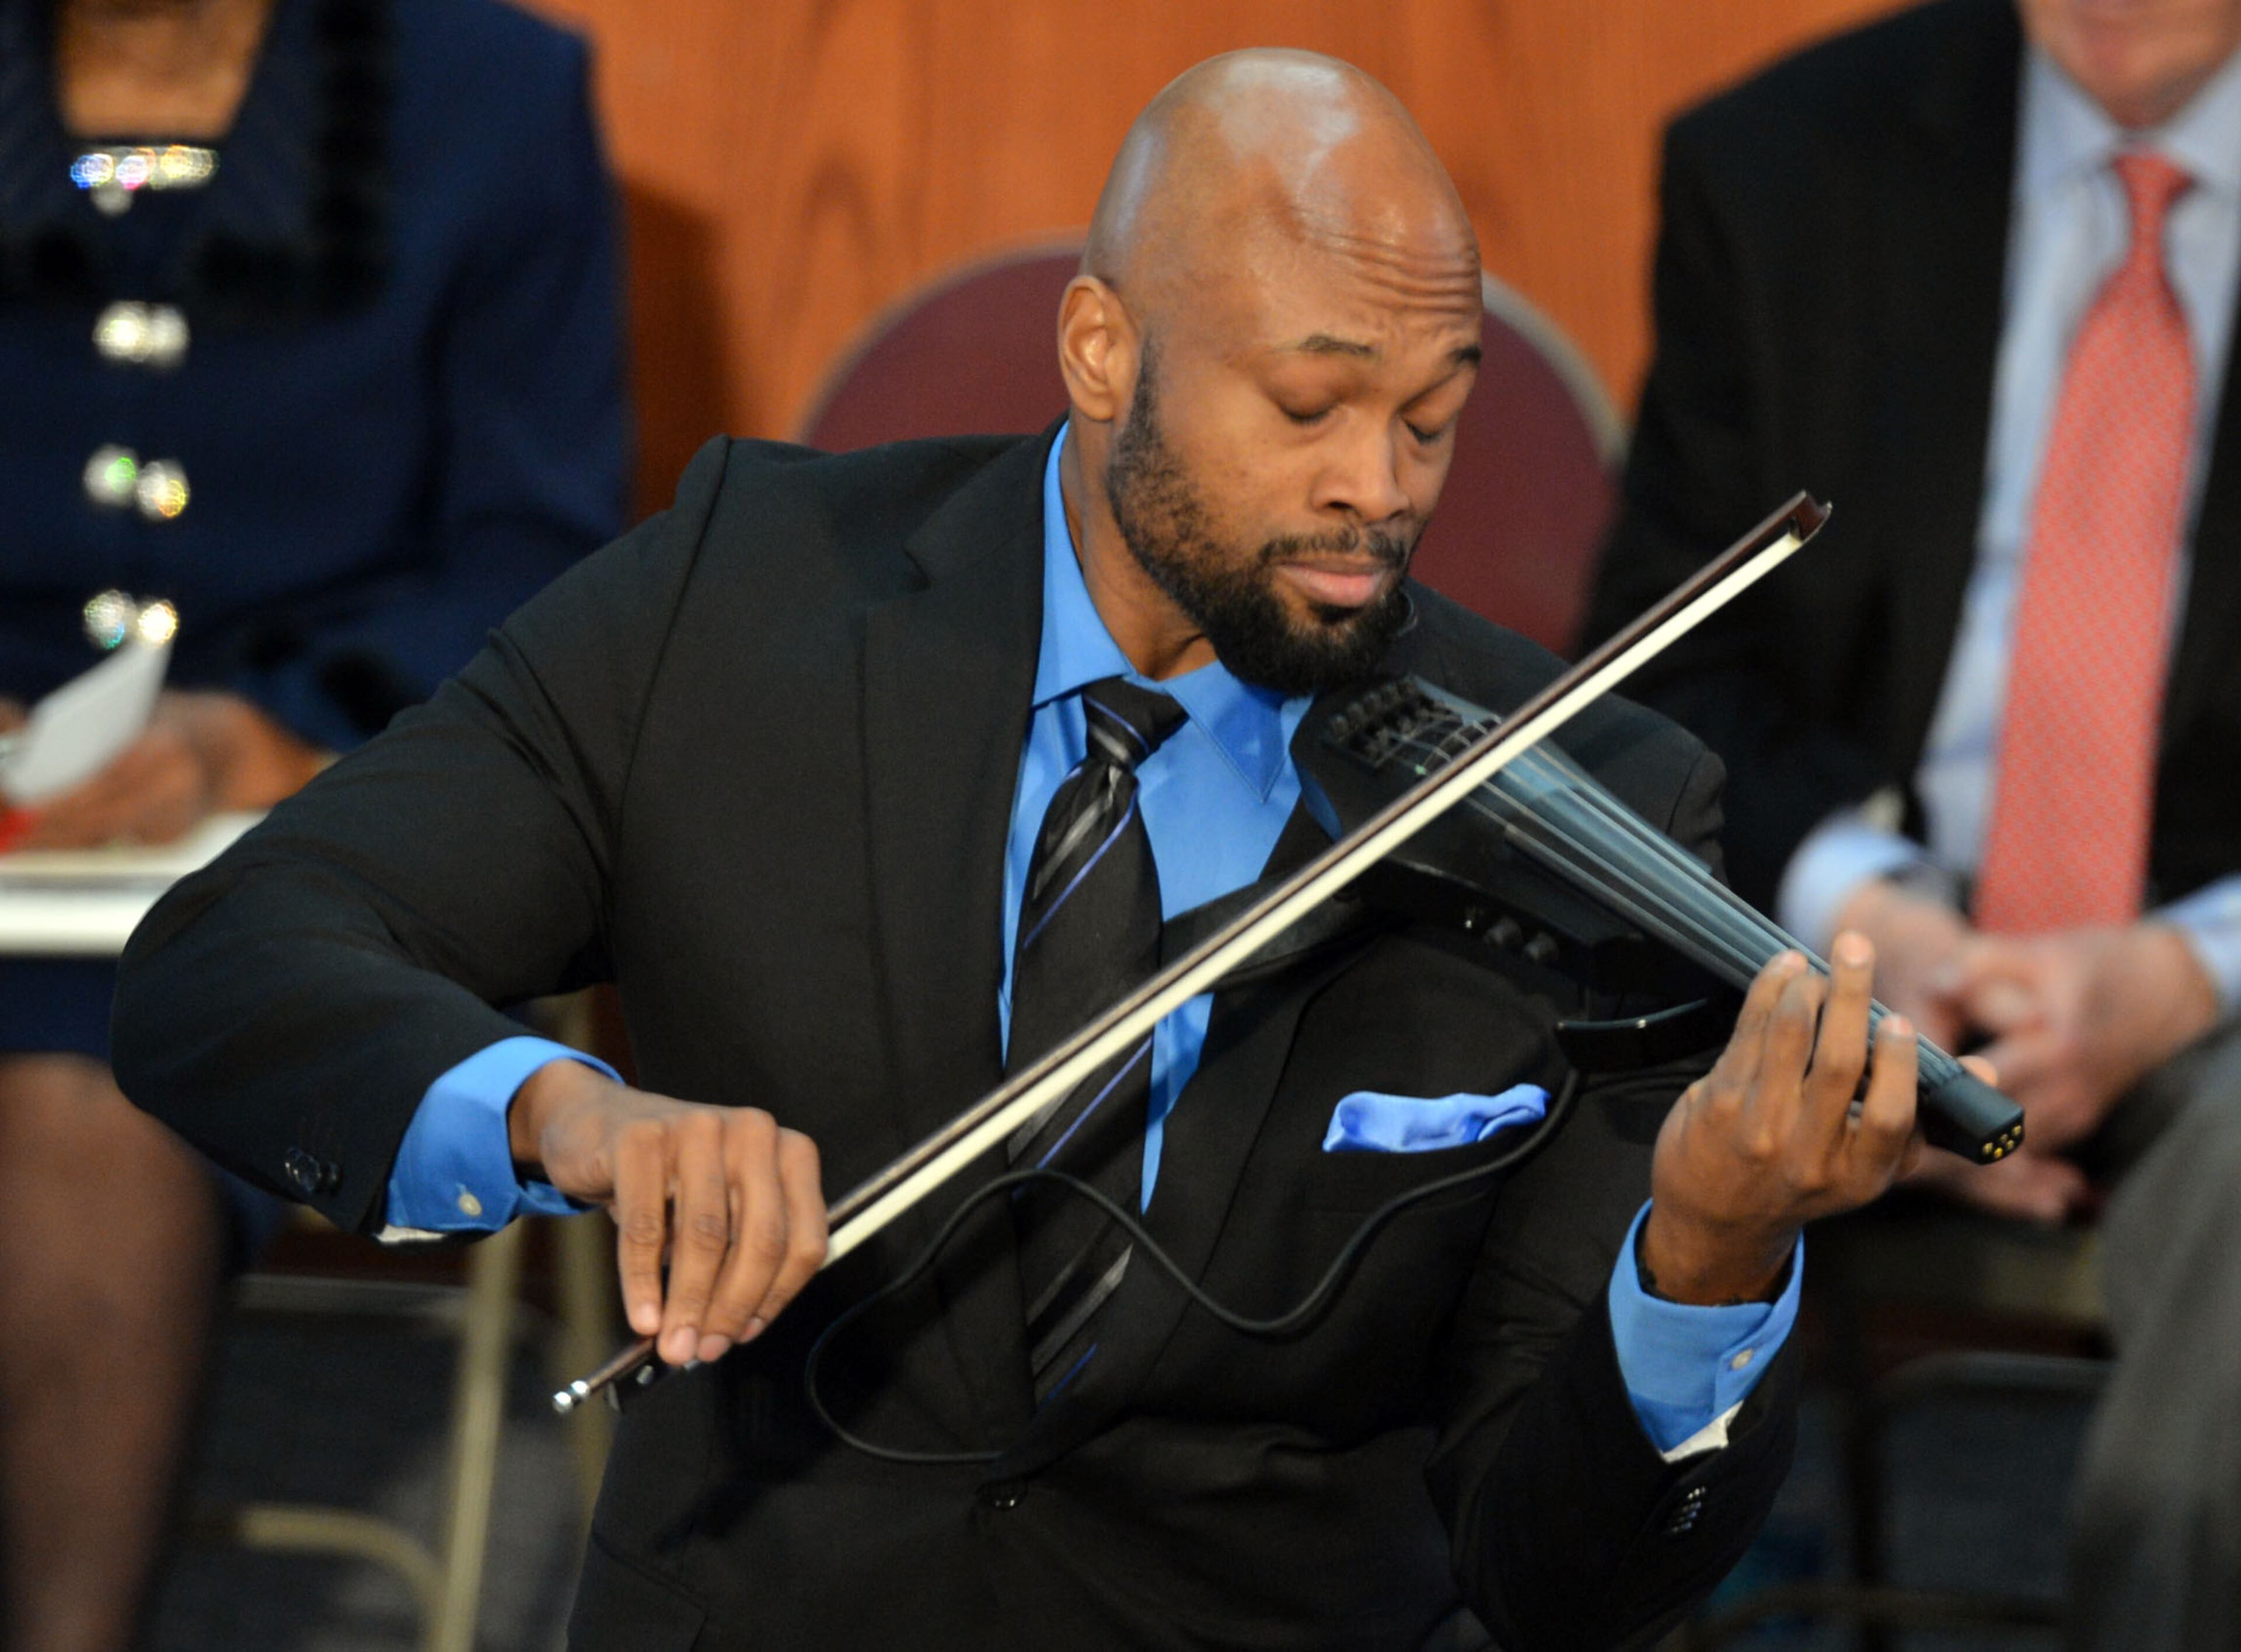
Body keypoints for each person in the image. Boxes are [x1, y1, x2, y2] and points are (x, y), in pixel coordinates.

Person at [114, 50, 1933, 1648]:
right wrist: (564, 1115)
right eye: (1309, 408)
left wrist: (1704, 1261)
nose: (1379, 490)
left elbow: (1563, 1585)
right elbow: (234, 959)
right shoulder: (736, 596)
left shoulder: (1593, 809)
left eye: (1432, 418)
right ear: (1101, 351)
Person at [1579, 0, 2241, 1643]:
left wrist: (2184, 975)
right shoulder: (1783, 165)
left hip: (2215, 980)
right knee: (1493, 1049)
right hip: (1850, 941)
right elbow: (1662, 669)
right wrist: (1873, 923)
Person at [0, 0, 628, 1644]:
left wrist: (265, 731)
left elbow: (542, 559)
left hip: (329, 807)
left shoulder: (495, 98)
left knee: (88, 1090)